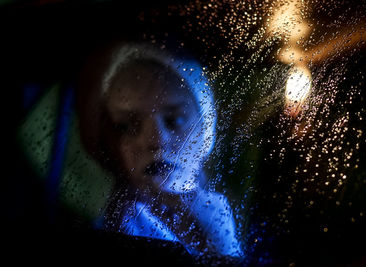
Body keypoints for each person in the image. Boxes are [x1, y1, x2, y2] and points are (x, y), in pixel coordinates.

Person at [76, 42, 243, 258]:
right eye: (127, 126)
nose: (155, 141)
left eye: (176, 120)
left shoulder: (227, 214)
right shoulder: (109, 223)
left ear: (206, 130)